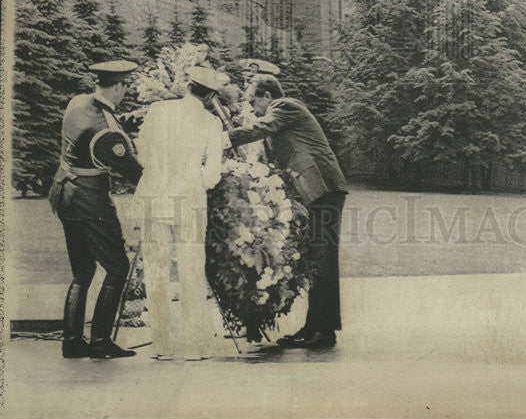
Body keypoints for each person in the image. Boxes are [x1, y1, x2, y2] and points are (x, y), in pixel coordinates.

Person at [228, 74, 348, 349]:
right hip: (315, 192)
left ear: (268, 96)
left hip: (323, 189)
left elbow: (260, 128)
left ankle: (325, 332)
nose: (251, 108)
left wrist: (219, 139)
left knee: (323, 260)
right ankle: (314, 327)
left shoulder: (285, 106)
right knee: (315, 260)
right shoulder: (280, 117)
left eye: (252, 101)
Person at [49, 59, 142, 360]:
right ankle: (101, 340)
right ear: (118, 86)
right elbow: (134, 171)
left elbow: (101, 122)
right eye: (126, 86)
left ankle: (73, 341)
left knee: (82, 270)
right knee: (117, 267)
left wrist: (131, 120)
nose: (127, 91)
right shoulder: (108, 133)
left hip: (64, 192)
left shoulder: (78, 102)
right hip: (91, 201)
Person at [134, 65, 224, 360]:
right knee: (191, 270)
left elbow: (143, 155)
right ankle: (194, 346)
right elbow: (212, 175)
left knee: (156, 270)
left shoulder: (158, 110)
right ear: (210, 95)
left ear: (188, 86)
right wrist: (194, 176)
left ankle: (160, 345)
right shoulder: (211, 122)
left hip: (154, 195)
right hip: (188, 199)